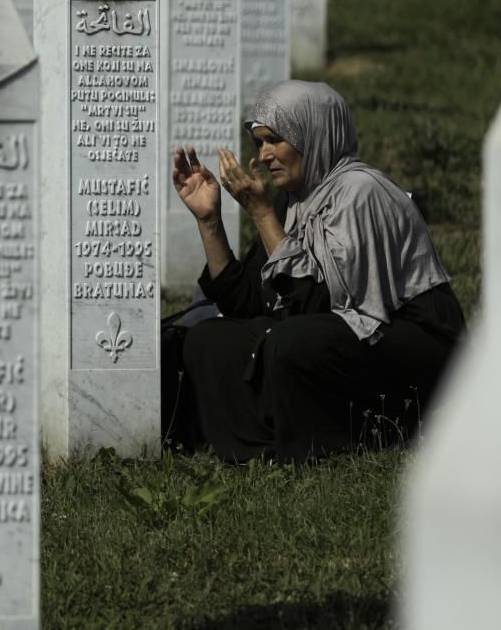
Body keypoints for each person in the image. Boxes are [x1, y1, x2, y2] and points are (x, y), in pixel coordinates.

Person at [162, 80, 465, 463]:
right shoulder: (298, 202)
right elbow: (248, 301)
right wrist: (209, 222)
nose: (264, 155)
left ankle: (345, 438)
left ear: (313, 133)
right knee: (210, 337)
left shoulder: (360, 192)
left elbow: (315, 303)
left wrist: (262, 214)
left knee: (293, 341)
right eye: (259, 143)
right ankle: (251, 448)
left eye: (275, 140)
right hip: (334, 330)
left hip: (413, 341)